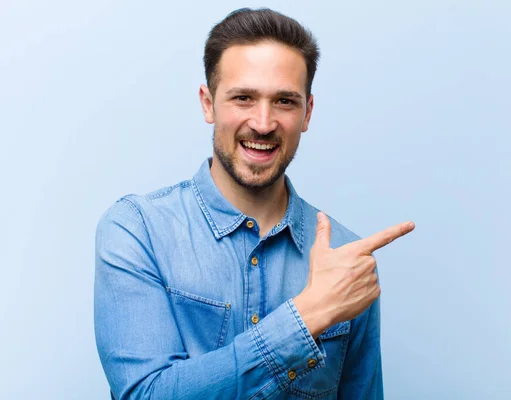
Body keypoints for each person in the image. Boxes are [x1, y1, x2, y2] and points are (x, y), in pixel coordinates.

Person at [94, 7, 414, 400]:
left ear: (307, 112)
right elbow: (145, 394)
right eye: (243, 97)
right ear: (208, 103)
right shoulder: (137, 230)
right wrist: (307, 318)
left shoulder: (346, 261)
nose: (263, 123)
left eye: (284, 101)